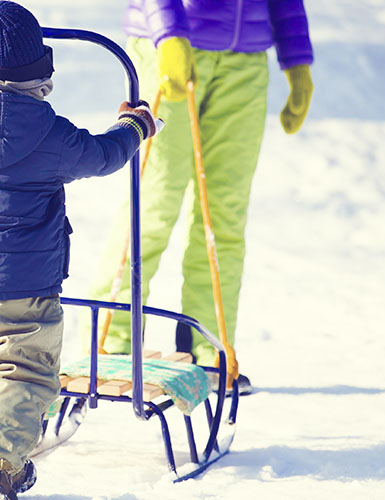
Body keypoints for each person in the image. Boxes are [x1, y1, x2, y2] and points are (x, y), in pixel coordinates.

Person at [0, 2, 159, 498]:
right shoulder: (45, 131)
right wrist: (134, 126)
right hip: (18, 287)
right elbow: (102, 155)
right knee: (22, 373)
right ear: (40, 70)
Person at [88, 0, 314, 389]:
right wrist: (170, 34)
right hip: (171, 47)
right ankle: (112, 341)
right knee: (154, 203)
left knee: (224, 213)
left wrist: (297, 60)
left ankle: (209, 347)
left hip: (245, 64)